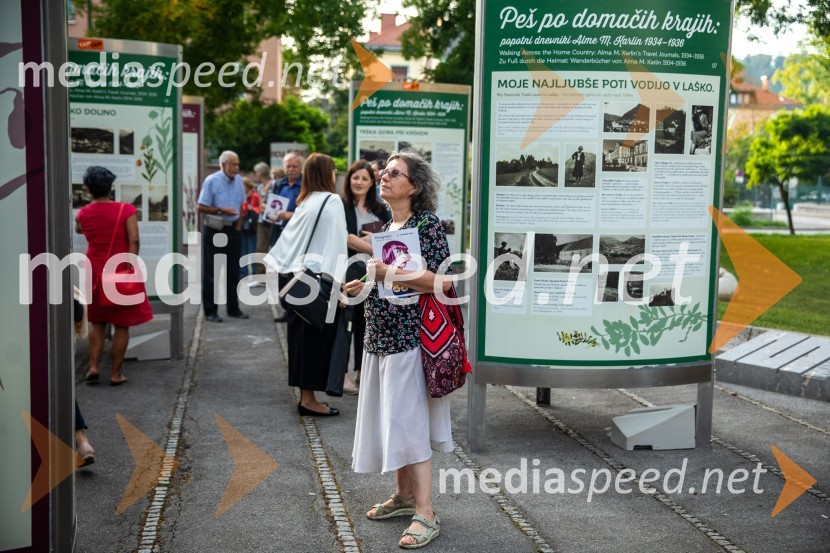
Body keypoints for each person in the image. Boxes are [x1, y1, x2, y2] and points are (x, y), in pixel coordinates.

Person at [344, 151, 451, 549]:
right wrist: (364, 285)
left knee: (407, 423)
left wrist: (386, 272)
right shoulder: (391, 224)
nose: (383, 177)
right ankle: (405, 497)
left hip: (409, 339)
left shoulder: (427, 224)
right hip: (381, 339)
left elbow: (441, 281)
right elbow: (387, 280)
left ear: (415, 186)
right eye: (383, 171)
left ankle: (426, 512)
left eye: (393, 173)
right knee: (393, 419)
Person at [267, 153, 347, 416]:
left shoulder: (305, 200)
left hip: (293, 280)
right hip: (316, 282)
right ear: (327, 173)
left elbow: (289, 242)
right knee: (316, 340)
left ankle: (307, 397)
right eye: (333, 169)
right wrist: (342, 284)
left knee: (300, 340)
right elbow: (337, 243)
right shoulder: (332, 200)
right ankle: (310, 401)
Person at [75, 166, 154, 385]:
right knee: (121, 324)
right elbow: (134, 239)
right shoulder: (125, 210)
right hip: (119, 270)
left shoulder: (83, 213)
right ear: (111, 187)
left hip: (93, 271)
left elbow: (80, 230)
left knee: (97, 323)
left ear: (89, 189)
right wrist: (130, 265)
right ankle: (116, 373)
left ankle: (92, 366)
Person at [341, 160, 391, 393]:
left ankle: (362, 372)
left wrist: (367, 240)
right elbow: (345, 237)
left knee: (366, 322)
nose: (359, 182)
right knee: (345, 324)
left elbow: (388, 237)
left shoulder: (380, 209)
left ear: (372, 182)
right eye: (355, 177)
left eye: (364, 178)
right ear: (349, 179)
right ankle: (342, 375)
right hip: (346, 271)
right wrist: (371, 245)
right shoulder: (340, 206)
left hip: (371, 273)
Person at [197, 150, 248, 322]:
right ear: (223, 165)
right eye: (233, 164)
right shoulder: (212, 181)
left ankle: (233, 308)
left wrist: (239, 224)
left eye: (237, 164)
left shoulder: (239, 180)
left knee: (233, 271)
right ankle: (210, 311)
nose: (236, 168)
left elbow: (242, 203)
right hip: (216, 228)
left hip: (233, 229)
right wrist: (220, 210)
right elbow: (201, 206)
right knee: (212, 271)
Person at [252, 162, 274, 276]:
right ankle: (260, 275)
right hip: (262, 220)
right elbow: (260, 204)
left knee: (273, 249)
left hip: (273, 221)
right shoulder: (260, 187)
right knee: (260, 248)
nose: (255, 175)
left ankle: (272, 276)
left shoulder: (274, 184)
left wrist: (267, 207)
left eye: (256, 172)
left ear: (261, 173)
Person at [240, 177, 261, 278]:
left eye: (243, 186)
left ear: (248, 186)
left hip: (252, 226)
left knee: (252, 250)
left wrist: (252, 208)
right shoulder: (241, 196)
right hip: (242, 225)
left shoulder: (255, 195)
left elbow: (259, 209)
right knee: (243, 250)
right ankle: (243, 273)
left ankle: (253, 273)